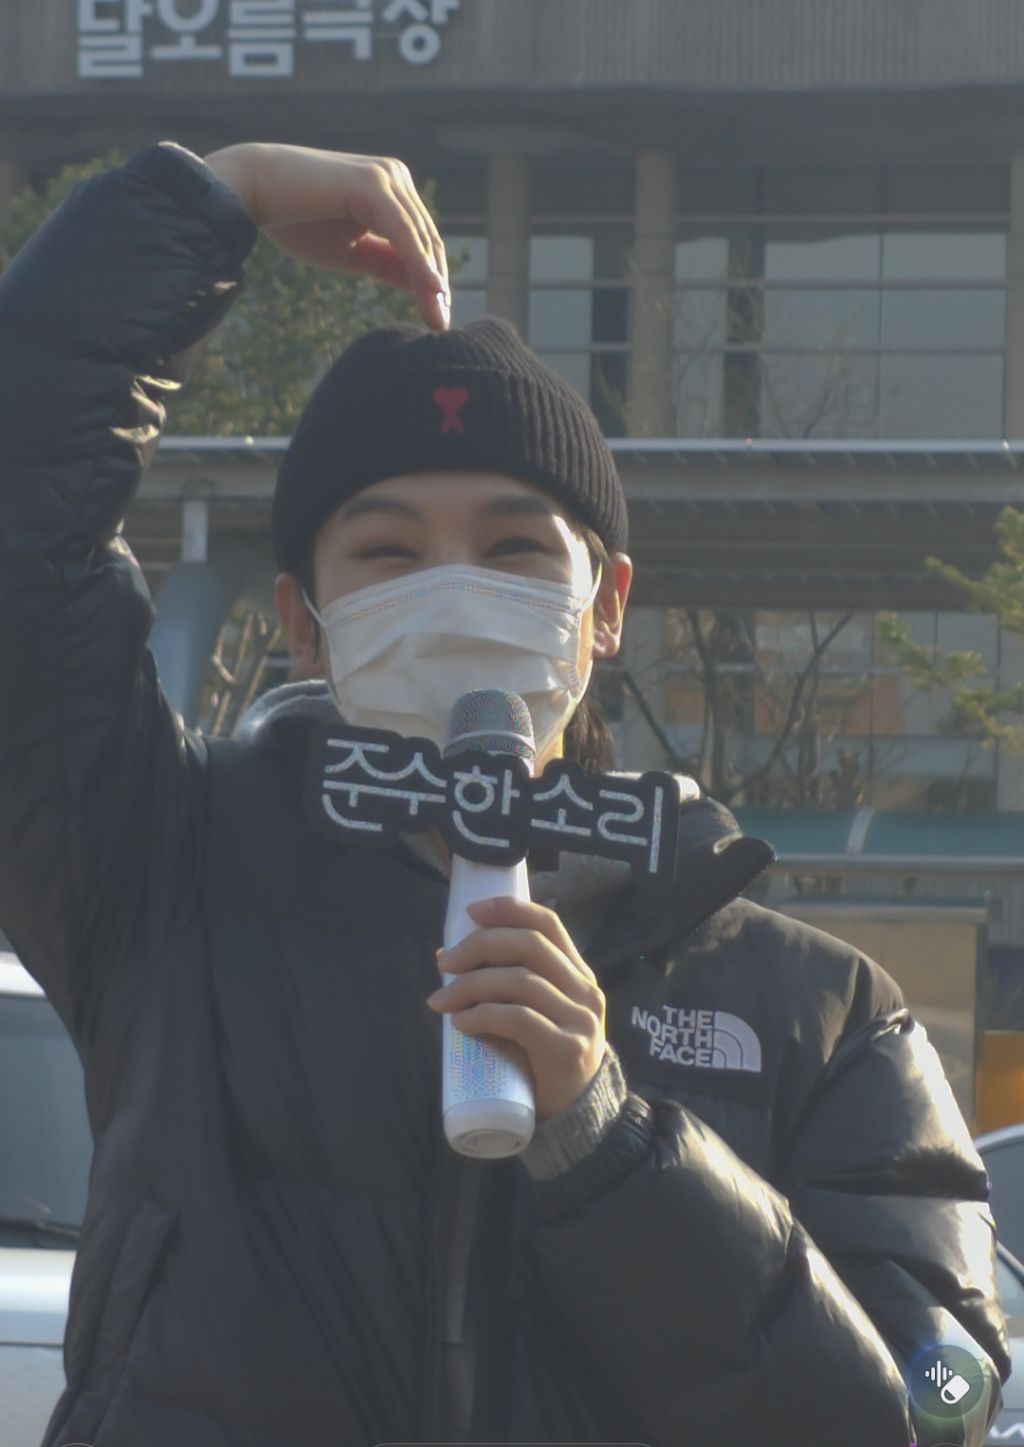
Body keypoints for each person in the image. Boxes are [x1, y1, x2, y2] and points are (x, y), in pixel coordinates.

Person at [0, 138, 1011, 1447]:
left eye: (517, 547)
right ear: (303, 622)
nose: (456, 591)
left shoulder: (823, 1016)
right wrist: (210, 199)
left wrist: (607, 1141)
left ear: (608, 606)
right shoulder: (162, 877)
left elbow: (934, 1409)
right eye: (389, 552)